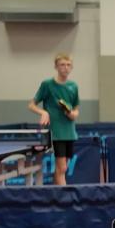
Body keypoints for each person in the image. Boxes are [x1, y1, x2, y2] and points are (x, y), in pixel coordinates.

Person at [28, 53, 79, 185]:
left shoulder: (73, 86)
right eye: (62, 65)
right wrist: (43, 112)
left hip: (70, 132)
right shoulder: (47, 85)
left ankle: (57, 197)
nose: (65, 68)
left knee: (63, 168)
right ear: (56, 66)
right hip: (56, 133)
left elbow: (76, 109)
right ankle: (65, 199)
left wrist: (73, 114)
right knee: (61, 168)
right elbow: (31, 104)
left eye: (68, 65)